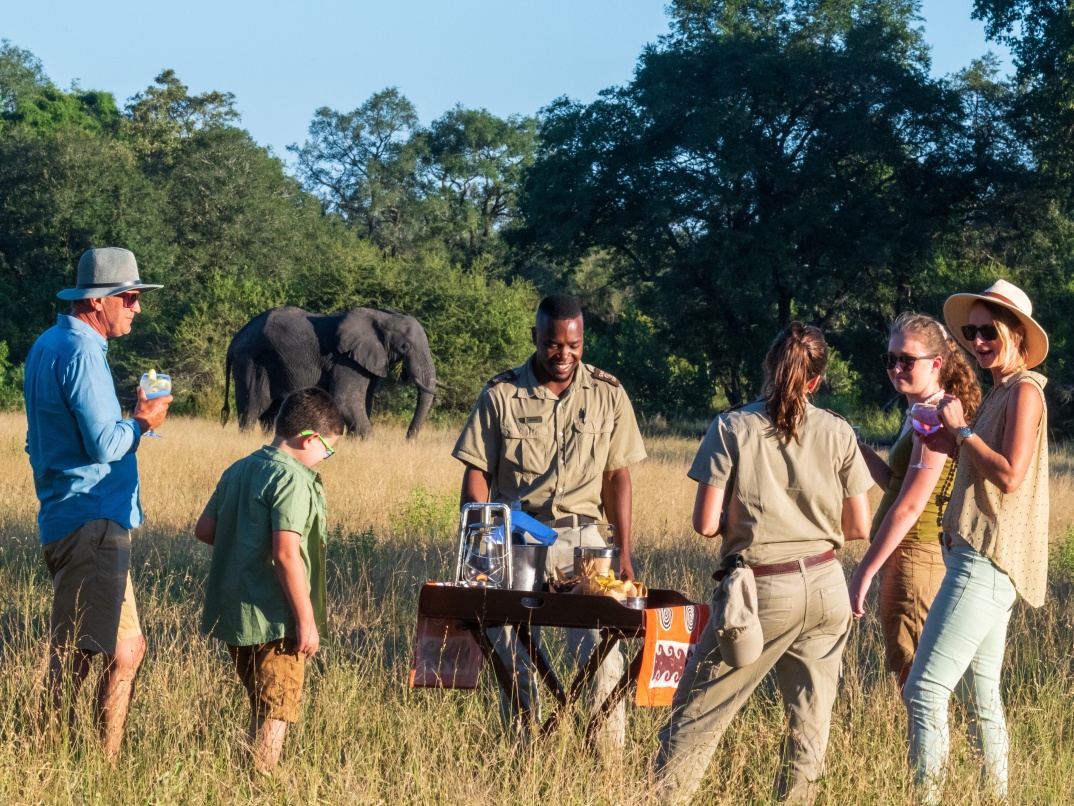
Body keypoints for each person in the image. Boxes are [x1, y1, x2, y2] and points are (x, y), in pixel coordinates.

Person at [652, 322, 873, 805]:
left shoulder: (731, 427)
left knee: (696, 714)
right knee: (809, 729)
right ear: (816, 380)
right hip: (826, 583)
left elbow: (706, 524)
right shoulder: (838, 431)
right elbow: (859, 525)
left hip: (760, 590)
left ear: (769, 368)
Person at [452, 293, 647, 744]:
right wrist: (476, 546)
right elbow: (477, 472)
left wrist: (625, 555)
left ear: (583, 340)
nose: (564, 355)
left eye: (574, 345)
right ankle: (527, 753)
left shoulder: (608, 394)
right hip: (515, 538)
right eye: (553, 345)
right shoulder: (500, 394)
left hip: (586, 545)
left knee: (601, 656)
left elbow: (618, 477)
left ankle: (605, 762)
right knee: (512, 653)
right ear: (535, 338)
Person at [904, 280, 1049, 804]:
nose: (979, 340)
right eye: (971, 331)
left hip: (984, 561)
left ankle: (927, 798)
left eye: (989, 331)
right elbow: (987, 463)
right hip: (987, 560)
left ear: (1016, 334)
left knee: (924, 690)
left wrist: (963, 432)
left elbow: (1010, 476)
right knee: (983, 693)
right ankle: (998, 795)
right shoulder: (1003, 390)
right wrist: (951, 439)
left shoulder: (1026, 390)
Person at [23, 246, 171, 761]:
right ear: (98, 301)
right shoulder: (83, 351)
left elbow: (39, 440)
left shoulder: (47, 344)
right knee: (81, 653)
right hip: (92, 519)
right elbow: (107, 445)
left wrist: (129, 418)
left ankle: (92, 759)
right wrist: (146, 421)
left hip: (73, 515)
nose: (136, 308)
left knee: (121, 649)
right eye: (129, 298)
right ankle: (52, 753)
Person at [194, 387, 343, 774]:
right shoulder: (293, 479)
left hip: (238, 615)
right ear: (310, 438)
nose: (326, 458)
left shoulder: (240, 468)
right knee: (276, 711)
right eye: (328, 450)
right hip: (278, 618)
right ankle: (261, 785)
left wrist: (245, 538)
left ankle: (247, 779)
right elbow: (285, 554)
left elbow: (206, 529)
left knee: (262, 705)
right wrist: (306, 622)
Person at [848, 313, 981, 689]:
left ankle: (927, 750)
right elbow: (896, 484)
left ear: (936, 364)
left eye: (907, 360)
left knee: (917, 683)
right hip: (908, 555)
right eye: (890, 359)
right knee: (913, 676)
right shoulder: (919, 411)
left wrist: (863, 571)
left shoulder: (933, 418)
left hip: (916, 556)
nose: (896, 368)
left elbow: (910, 505)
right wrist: (857, 447)